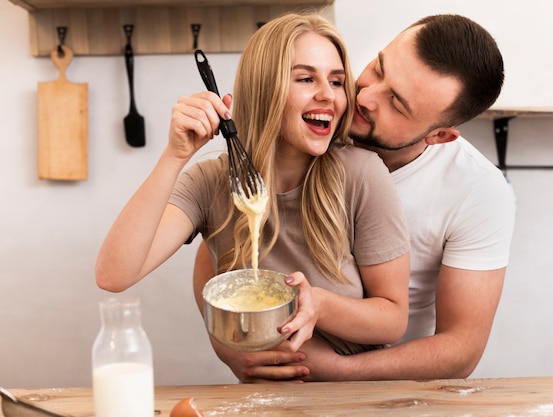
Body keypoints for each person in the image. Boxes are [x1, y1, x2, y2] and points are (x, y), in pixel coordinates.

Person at [193, 13, 516, 382]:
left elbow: (461, 350)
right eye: (378, 68)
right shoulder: (316, 123)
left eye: (396, 102)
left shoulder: (479, 192)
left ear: (438, 136)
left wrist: (339, 370)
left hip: (393, 388)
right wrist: (229, 344)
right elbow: (219, 247)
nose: (363, 96)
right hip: (278, 379)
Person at [96, 13, 410, 357]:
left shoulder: (361, 174)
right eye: (306, 78)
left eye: (336, 82)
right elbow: (114, 275)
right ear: (264, 87)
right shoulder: (210, 183)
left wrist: (318, 304)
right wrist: (175, 155)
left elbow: (392, 319)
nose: (328, 95)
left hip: (350, 400)